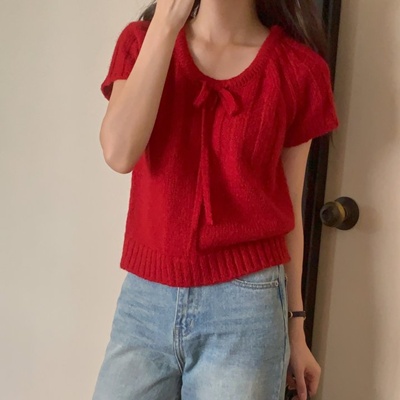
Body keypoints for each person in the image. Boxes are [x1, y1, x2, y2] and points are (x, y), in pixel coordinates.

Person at [93, 0, 339, 399]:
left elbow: (291, 206)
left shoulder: (298, 69)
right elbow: (119, 153)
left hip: (247, 308)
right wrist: (166, 25)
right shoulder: (140, 42)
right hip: (144, 301)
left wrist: (297, 329)